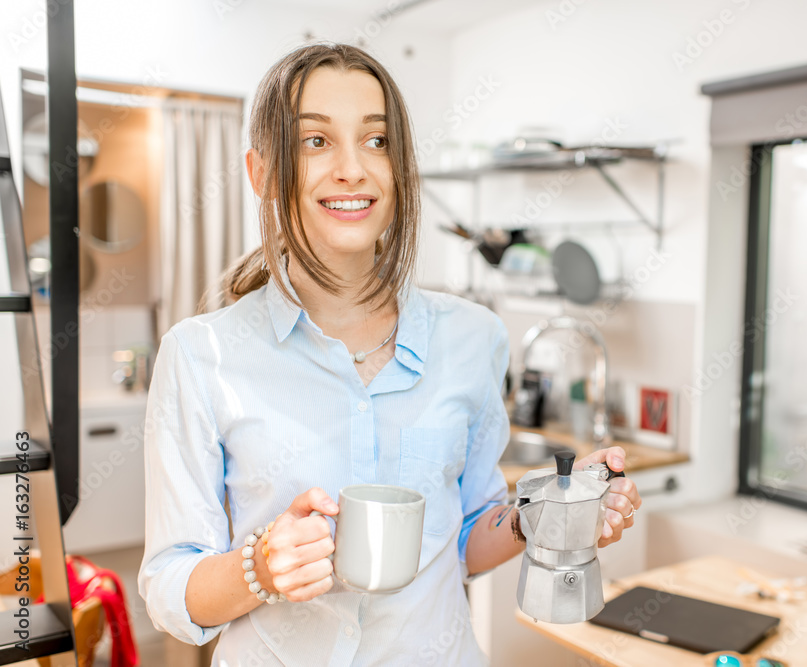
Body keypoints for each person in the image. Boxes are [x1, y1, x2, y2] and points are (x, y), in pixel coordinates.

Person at [138, 42, 642, 666]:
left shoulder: (473, 337)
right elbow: (169, 588)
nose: (353, 169)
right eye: (315, 141)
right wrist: (261, 569)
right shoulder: (199, 354)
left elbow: (464, 536)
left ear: (400, 168)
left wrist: (549, 512)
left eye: (376, 141)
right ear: (261, 172)